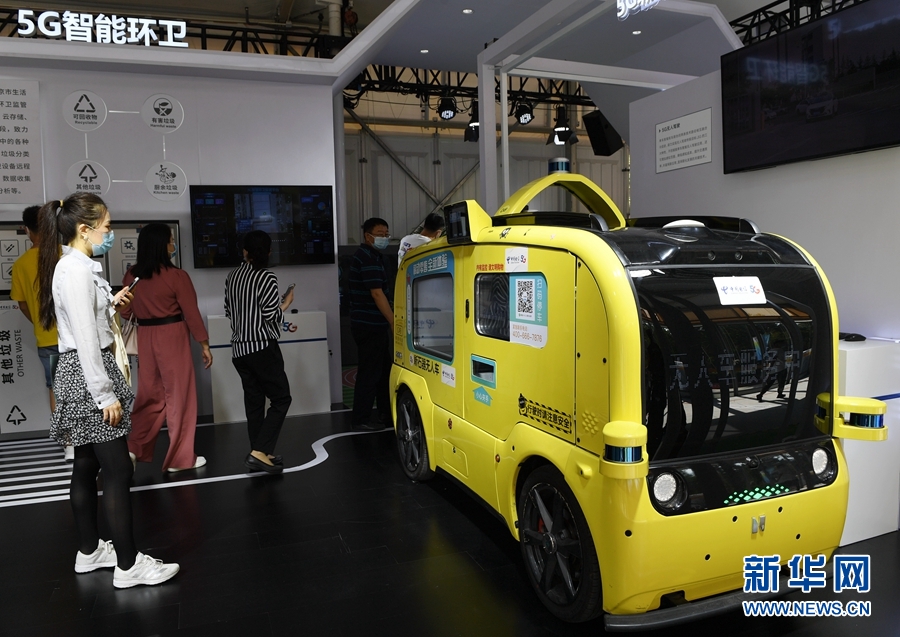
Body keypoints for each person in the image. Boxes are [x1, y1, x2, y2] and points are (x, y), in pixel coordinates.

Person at [37, 193, 179, 588]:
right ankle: (129, 566)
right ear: (85, 229)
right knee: (117, 468)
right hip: (89, 374)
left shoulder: (73, 266)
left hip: (78, 372)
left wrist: (111, 304)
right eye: (107, 227)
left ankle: (89, 552)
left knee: (86, 464)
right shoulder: (76, 271)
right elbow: (86, 338)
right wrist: (104, 394)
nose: (110, 234)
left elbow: (86, 322)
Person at [121, 223, 213, 472]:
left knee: (148, 396)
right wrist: (204, 344)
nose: (173, 244)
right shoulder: (177, 276)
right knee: (179, 396)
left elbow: (125, 311)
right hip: (172, 336)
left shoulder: (132, 276)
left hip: (145, 336)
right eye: (171, 240)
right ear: (162, 245)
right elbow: (191, 313)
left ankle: (133, 447)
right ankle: (180, 459)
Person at [224, 230, 293, 474]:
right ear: (269, 252)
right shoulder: (267, 277)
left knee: (254, 402)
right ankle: (259, 452)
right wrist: (286, 303)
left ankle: (260, 452)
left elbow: (228, 311)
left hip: (239, 349)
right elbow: (271, 315)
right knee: (281, 398)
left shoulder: (232, 276)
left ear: (244, 251)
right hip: (262, 347)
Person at [10, 205, 70, 460]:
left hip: (47, 338)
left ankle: (68, 443)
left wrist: (39, 321)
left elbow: (23, 304)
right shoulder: (65, 254)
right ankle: (87, 439)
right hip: (76, 336)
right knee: (84, 385)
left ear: (27, 230)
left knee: (56, 387)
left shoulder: (21, 264)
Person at [349, 217, 393, 431]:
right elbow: (377, 293)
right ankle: (361, 419)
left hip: (373, 325)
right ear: (368, 236)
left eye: (386, 234)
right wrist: (392, 320)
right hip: (369, 325)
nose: (384, 237)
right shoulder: (366, 258)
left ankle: (386, 414)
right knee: (370, 374)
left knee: (383, 372)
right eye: (380, 234)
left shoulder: (372, 256)